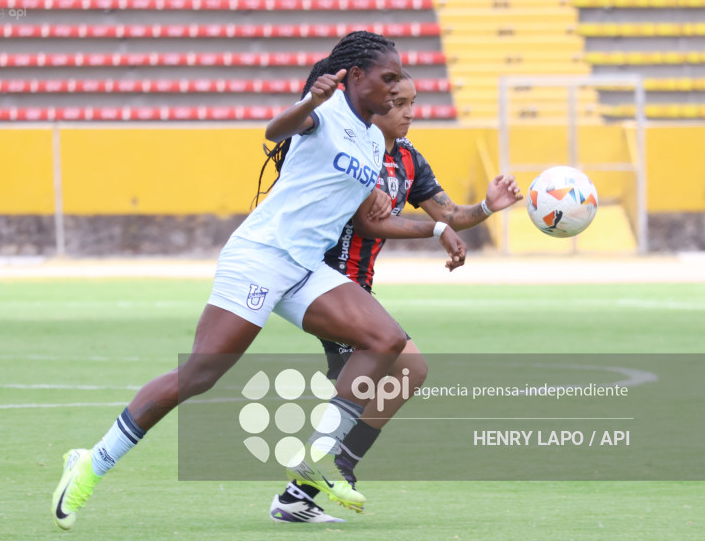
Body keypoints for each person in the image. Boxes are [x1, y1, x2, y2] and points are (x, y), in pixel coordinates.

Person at [50, 31, 467, 531]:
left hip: (305, 267)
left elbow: (367, 218)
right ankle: (92, 462)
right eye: (388, 77)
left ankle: (321, 456)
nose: (396, 87)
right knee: (201, 376)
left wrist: (439, 227)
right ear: (356, 77)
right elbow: (276, 130)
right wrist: (308, 102)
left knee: (387, 339)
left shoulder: (375, 139)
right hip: (260, 257)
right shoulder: (325, 110)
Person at [268, 71, 524, 523]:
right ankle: (321, 475)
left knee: (407, 371)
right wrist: (436, 230)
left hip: (357, 290)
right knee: (382, 376)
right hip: (324, 283)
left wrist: (486, 208)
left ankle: (307, 487)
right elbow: (370, 222)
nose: (409, 112)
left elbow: (449, 213)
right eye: (399, 103)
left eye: (413, 102)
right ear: (373, 103)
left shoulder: (408, 160)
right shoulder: (353, 150)